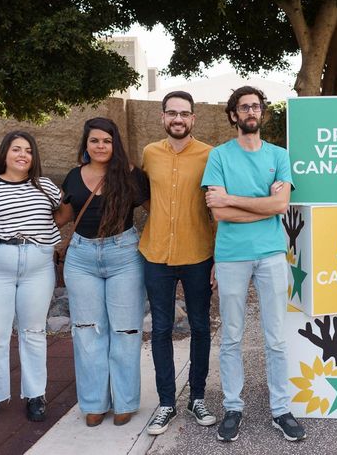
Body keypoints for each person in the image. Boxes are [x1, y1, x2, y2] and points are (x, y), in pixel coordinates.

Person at [201, 86, 305, 442]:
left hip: (272, 254)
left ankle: (281, 409)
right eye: (244, 107)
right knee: (231, 335)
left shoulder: (279, 155)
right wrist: (259, 203)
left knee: (275, 337)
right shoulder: (219, 156)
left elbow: (280, 207)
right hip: (231, 256)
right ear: (233, 115)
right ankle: (233, 406)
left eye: (255, 107)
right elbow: (218, 211)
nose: (250, 112)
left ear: (262, 113)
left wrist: (232, 199)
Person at [0, 131, 62, 426]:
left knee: (33, 331)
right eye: (16, 149)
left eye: (28, 150)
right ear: (4, 153)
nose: (23, 155)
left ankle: (35, 395)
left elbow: (63, 212)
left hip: (38, 267)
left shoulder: (45, 187)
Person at [55, 117, 150, 427]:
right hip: (82, 257)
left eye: (106, 141)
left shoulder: (131, 177)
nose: (100, 146)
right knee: (87, 331)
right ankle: (94, 402)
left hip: (123, 254)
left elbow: (155, 210)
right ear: (86, 144)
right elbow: (63, 217)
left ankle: (125, 401)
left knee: (125, 330)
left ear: (115, 144)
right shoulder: (72, 177)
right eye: (94, 140)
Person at [140, 91, 218, 435]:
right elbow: (144, 198)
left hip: (198, 254)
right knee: (160, 329)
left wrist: (220, 257)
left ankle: (197, 397)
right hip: (156, 254)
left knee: (200, 327)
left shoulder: (210, 155)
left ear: (193, 119)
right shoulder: (149, 154)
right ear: (162, 117)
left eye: (184, 114)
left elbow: (217, 207)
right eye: (172, 113)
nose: (178, 119)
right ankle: (167, 403)